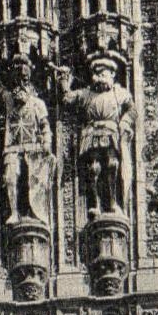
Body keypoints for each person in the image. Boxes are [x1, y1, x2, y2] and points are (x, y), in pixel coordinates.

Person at [54, 55, 135, 217]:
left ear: (112, 74)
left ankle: (112, 202)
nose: (99, 78)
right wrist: (64, 80)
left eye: (103, 73)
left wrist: (125, 122)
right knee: (94, 167)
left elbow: (132, 110)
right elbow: (67, 99)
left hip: (112, 132)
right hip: (92, 134)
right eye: (97, 74)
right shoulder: (87, 94)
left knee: (112, 164)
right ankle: (95, 203)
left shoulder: (119, 93)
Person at [0, 55, 54, 225]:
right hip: (13, 146)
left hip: (33, 147)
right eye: (16, 81)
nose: (19, 86)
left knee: (33, 179)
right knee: (10, 177)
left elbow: (45, 125)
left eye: (23, 81)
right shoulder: (9, 100)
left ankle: (34, 212)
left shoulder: (38, 103)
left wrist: (47, 142)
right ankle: (14, 212)